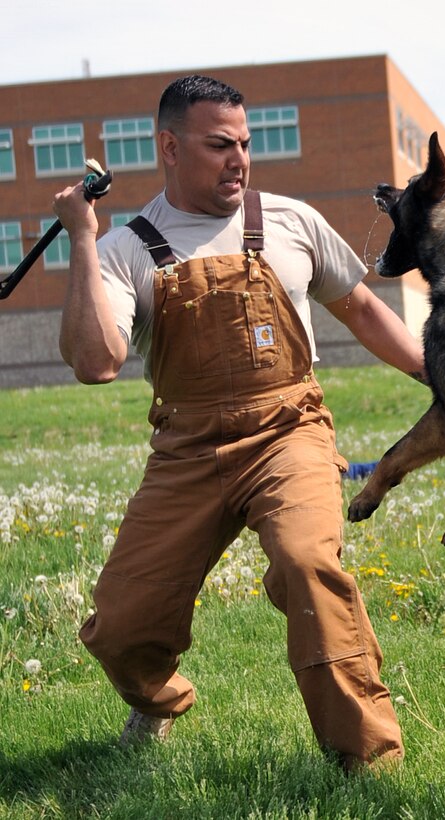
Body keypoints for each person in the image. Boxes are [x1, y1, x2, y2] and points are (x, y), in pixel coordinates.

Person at [53, 75, 426, 773]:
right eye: (219, 144)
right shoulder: (125, 249)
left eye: (245, 144)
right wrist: (80, 241)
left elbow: (364, 311)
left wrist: (442, 378)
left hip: (290, 431)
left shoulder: (291, 220)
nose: (240, 159)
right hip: (187, 450)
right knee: (122, 624)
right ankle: (156, 699)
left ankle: (365, 760)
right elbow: (96, 362)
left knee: (307, 563)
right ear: (169, 146)